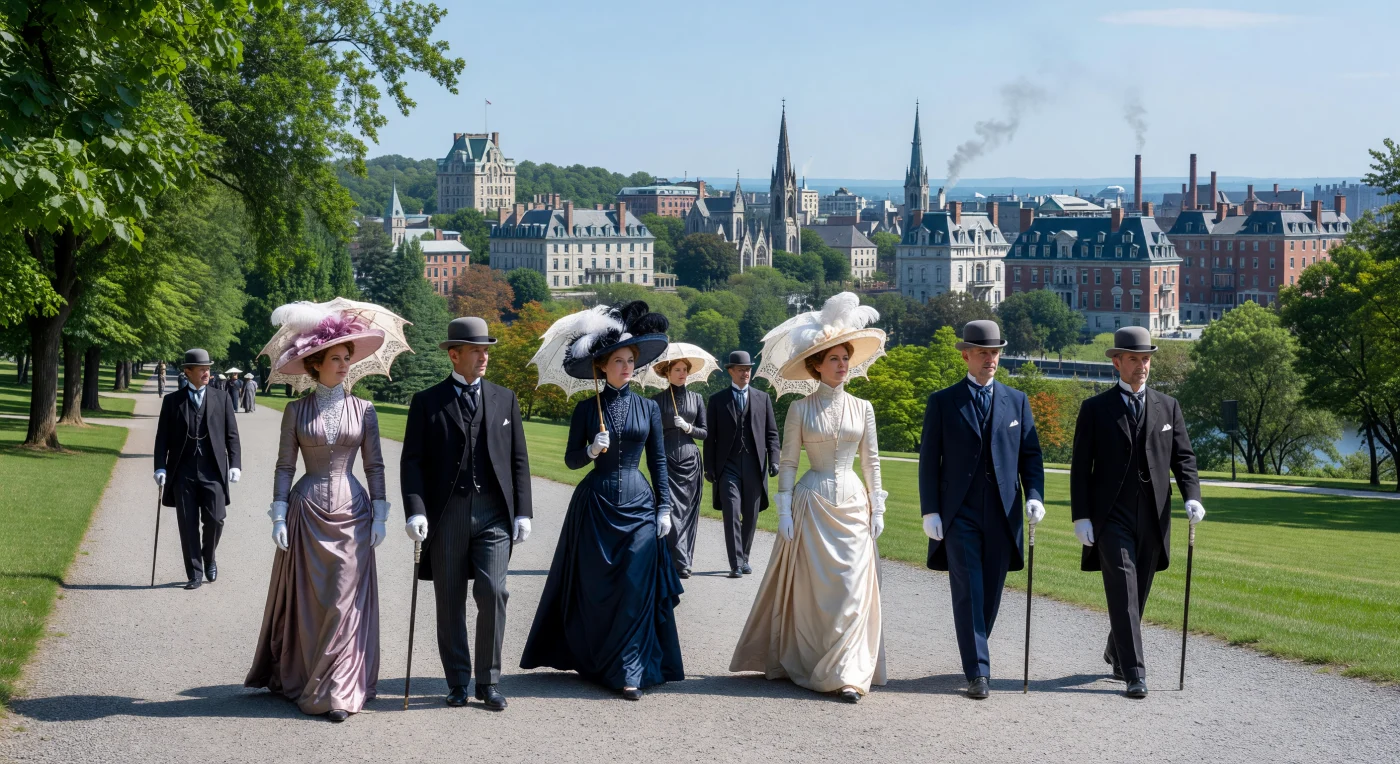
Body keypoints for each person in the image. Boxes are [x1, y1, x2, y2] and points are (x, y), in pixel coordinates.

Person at [730, 292, 887, 702]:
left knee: (852, 590)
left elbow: (870, 462)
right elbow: (788, 463)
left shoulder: (864, 408)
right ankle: (815, 661)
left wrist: (878, 505)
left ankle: (850, 673)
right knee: (817, 595)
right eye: (834, 359)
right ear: (816, 365)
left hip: (853, 503)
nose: (842, 365)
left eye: (845, 358)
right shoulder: (799, 409)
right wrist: (782, 509)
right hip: (811, 504)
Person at [521, 301, 683, 701]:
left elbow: (658, 461)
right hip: (595, 507)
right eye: (618, 361)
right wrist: (592, 450)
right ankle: (598, 662)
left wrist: (665, 507)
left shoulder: (648, 407)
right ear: (602, 366)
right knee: (596, 590)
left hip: (641, 506)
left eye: (630, 361)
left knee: (634, 587)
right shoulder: (584, 408)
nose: (626, 367)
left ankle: (630, 669)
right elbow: (571, 460)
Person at [245, 304, 390, 722]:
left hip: (354, 513)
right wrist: (277, 513)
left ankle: (341, 691)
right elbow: (285, 466)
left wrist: (380, 513)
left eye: (348, 358)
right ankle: (309, 677)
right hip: (305, 513)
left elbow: (375, 465)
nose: (346, 366)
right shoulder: (295, 411)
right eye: (337, 359)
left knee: (345, 602)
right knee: (312, 605)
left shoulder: (365, 410)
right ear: (315, 363)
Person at [402, 316, 533, 711]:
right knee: (450, 600)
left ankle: (488, 681)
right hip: (447, 515)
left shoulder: (504, 398)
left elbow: (519, 460)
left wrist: (523, 512)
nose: (484, 357)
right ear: (454, 355)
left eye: (487, 350)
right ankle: (457, 681)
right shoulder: (426, 402)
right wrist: (415, 512)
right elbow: (413, 463)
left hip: (494, 513)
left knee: (494, 591)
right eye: (476, 350)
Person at [1070, 326, 1205, 699]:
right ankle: (1134, 673)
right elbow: (1081, 467)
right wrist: (1081, 516)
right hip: (1111, 517)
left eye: (1146, 359)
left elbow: (1184, 458)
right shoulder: (1095, 409)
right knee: (1123, 589)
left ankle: (1116, 648)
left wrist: (1192, 496)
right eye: (1134, 359)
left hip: (1154, 516)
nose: (1142, 366)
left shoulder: (1168, 406)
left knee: (1138, 593)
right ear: (1117, 362)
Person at [918, 319, 1046, 700]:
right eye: (984, 353)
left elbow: (1031, 455)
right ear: (966, 355)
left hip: (1004, 514)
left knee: (990, 592)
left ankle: (976, 647)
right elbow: (929, 460)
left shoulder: (1017, 401)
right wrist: (931, 511)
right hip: (959, 514)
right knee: (969, 589)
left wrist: (1035, 495)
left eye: (995, 352)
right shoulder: (942, 402)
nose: (991, 359)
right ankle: (979, 672)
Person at [152, 349, 242, 590]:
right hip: (183, 471)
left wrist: (235, 464)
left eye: (208, 368)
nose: (206, 372)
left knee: (216, 519)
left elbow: (232, 436)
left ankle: (209, 557)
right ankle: (194, 572)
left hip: (213, 470)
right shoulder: (172, 402)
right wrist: (160, 467)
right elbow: (161, 439)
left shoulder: (221, 398)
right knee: (187, 523)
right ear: (187, 371)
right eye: (201, 369)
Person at [703, 351, 781, 578]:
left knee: (751, 514)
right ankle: (736, 562)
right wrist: (709, 466)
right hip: (728, 465)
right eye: (741, 369)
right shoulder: (717, 401)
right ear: (731, 371)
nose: (746, 373)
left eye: (748, 369)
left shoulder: (762, 398)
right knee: (731, 511)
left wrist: (774, 460)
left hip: (755, 465)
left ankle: (744, 557)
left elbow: (772, 434)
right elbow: (711, 438)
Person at [650, 357, 708, 578]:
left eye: (685, 370)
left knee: (687, 513)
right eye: (677, 369)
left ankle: (684, 561)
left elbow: (705, 432)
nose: (682, 373)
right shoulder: (656, 401)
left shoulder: (698, 398)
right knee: (669, 510)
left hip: (691, 461)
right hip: (665, 460)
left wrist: (688, 427)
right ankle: (671, 560)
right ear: (668, 373)